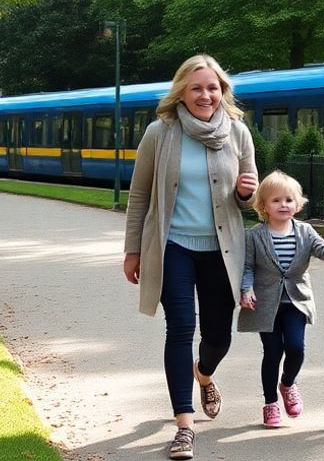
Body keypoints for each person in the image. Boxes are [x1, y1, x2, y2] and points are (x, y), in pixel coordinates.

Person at [122, 54, 258, 461]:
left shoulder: (237, 134)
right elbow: (139, 195)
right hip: (173, 246)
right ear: (181, 90)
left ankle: (206, 373)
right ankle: (184, 427)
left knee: (218, 336)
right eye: (197, 87)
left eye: (212, 87)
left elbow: (250, 203)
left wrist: (247, 194)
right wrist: (132, 250)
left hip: (222, 249)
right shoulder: (159, 133)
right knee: (180, 327)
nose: (205, 94)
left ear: (223, 92)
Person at [238, 171, 324, 428]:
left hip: (296, 301)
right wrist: (246, 290)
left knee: (296, 348)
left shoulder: (306, 232)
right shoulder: (254, 234)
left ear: (298, 204)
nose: (283, 205)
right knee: (273, 352)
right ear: (264, 205)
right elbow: (247, 267)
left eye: (289, 200)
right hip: (265, 303)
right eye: (276, 200)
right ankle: (270, 404)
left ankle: (287, 383)